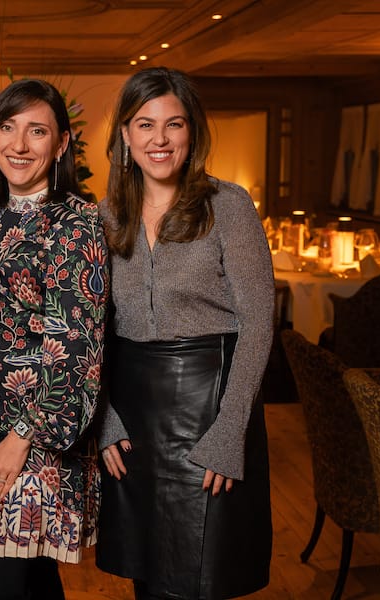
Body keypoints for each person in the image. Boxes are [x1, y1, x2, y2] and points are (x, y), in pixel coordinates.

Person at [95, 67, 274, 599]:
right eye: (145, 124)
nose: (160, 139)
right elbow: (91, 330)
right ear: (125, 135)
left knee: (200, 578)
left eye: (174, 124)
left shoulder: (229, 205)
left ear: (191, 132)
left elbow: (259, 321)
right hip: (131, 417)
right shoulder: (105, 217)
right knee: (148, 577)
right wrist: (104, 417)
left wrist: (229, 431)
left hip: (208, 407)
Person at [0, 79, 109, 600]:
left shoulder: (75, 223)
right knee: (33, 580)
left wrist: (21, 439)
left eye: (37, 131)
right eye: (8, 128)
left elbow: (77, 350)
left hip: (35, 438)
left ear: (60, 145)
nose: (18, 144)